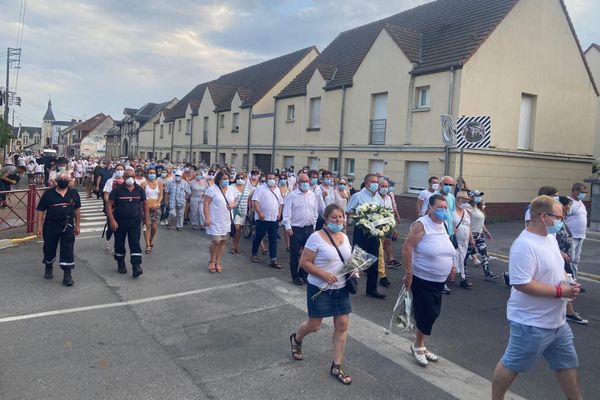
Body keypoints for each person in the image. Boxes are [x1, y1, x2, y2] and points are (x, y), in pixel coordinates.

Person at [492, 196, 582, 400]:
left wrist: (569, 283)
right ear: (543, 216)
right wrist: (560, 292)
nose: (562, 221)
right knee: (512, 364)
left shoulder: (549, 238)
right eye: (559, 217)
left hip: (557, 322)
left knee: (567, 363)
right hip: (531, 323)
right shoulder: (524, 245)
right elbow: (521, 283)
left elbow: (555, 271)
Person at [289, 204, 353, 385]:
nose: (338, 221)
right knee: (314, 325)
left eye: (341, 217)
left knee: (342, 325)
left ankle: (337, 365)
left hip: (341, 289)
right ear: (326, 219)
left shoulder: (345, 237)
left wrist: (354, 269)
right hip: (320, 288)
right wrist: (323, 274)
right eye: (334, 218)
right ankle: (297, 338)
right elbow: (304, 262)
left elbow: (348, 261)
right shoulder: (315, 238)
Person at [402, 194, 457, 366]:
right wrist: (409, 272)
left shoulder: (444, 224)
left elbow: (449, 247)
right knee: (427, 312)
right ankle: (417, 346)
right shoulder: (421, 224)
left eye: (445, 207)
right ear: (430, 207)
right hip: (422, 277)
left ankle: (421, 344)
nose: (443, 210)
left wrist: (453, 266)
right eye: (439, 207)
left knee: (433, 313)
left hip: (439, 280)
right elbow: (407, 247)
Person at [36, 171, 81, 286]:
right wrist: (39, 227)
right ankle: (48, 266)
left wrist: (78, 225)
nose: (63, 181)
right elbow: (41, 210)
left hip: (68, 226)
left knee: (67, 249)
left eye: (66, 180)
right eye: (61, 179)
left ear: (69, 182)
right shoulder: (48, 194)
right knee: (49, 247)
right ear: (56, 181)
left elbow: (77, 210)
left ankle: (67, 275)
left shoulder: (74, 193)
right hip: (51, 226)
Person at [346, 173, 386, 299]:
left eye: (377, 182)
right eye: (373, 182)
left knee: (374, 261)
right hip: (361, 231)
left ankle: (372, 289)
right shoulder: (358, 196)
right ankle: (349, 284)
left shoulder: (379, 197)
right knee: (357, 259)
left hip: (374, 232)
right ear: (367, 183)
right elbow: (348, 211)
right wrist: (360, 216)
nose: (376, 184)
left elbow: (383, 212)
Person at [106, 169, 146, 278]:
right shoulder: (117, 190)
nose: (130, 178)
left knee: (135, 243)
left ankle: (136, 266)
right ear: (124, 177)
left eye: (133, 176)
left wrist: (146, 219)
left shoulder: (139, 190)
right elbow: (109, 206)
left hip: (134, 221)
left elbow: (144, 204)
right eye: (128, 176)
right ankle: (120, 262)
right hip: (119, 222)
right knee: (119, 243)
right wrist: (112, 221)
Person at [556, 196, 588, 325]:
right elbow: (549, 238)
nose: (570, 208)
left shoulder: (561, 219)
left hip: (565, 258)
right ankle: (570, 312)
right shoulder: (555, 221)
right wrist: (559, 253)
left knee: (568, 282)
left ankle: (567, 311)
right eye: (568, 205)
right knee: (567, 283)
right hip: (559, 258)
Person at [283, 173, 319, 285]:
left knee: (307, 254)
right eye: (302, 181)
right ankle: (295, 276)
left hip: (308, 228)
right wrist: (288, 227)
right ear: (298, 183)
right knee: (294, 254)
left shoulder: (312, 195)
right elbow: (286, 212)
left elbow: (315, 212)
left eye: (307, 181)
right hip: (296, 229)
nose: (305, 183)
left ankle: (304, 274)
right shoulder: (292, 195)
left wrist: (314, 226)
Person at [203, 171, 239, 273]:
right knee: (216, 241)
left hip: (226, 220)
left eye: (227, 179)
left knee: (223, 242)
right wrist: (207, 218)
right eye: (224, 179)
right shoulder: (212, 190)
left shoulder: (232, 189)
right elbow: (206, 204)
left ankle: (218, 262)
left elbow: (236, 200)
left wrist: (233, 205)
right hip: (215, 219)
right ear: (218, 179)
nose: (226, 180)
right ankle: (212, 261)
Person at [251, 173, 283, 268]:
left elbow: (280, 203)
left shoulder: (277, 189)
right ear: (266, 179)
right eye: (270, 178)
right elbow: (255, 201)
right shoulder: (260, 189)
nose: (272, 180)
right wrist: (259, 213)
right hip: (262, 218)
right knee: (259, 236)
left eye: (273, 178)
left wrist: (279, 212)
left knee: (273, 238)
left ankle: (273, 258)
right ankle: (254, 253)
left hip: (273, 218)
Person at [466, 190, 499, 279]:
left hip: (479, 235)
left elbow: (481, 223)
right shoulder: (468, 209)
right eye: (477, 196)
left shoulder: (479, 208)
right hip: (471, 235)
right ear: (472, 197)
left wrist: (486, 232)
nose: (479, 198)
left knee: (484, 254)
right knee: (466, 254)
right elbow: (467, 224)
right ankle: (463, 271)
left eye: (480, 196)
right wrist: (471, 238)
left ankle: (487, 273)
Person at [565, 183, 588, 282]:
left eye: (585, 192)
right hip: (572, 236)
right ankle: (568, 281)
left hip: (581, 236)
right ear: (575, 191)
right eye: (582, 192)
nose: (584, 194)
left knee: (576, 260)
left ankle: (574, 280)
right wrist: (567, 232)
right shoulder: (568, 202)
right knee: (570, 259)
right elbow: (562, 217)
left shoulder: (581, 202)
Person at [454, 191, 475, 288]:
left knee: (461, 259)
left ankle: (462, 278)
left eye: (467, 201)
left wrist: (471, 238)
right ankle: (448, 277)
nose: (466, 203)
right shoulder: (452, 212)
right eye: (463, 201)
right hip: (455, 240)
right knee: (453, 258)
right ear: (458, 200)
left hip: (465, 240)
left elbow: (469, 226)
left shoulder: (466, 212)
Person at [378, 179, 395, 287]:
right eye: (383, 186)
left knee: (381, 251)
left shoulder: (388, 198)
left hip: (386, 227)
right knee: (378, 251)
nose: (385, 188)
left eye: (386, 186)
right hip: (376, 228)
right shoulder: (375, 198)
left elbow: (390, 212)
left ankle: (382, 275)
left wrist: (392, 227)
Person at [231, 172, 251, 253]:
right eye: (238, 178)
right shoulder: (232, 187)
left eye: (242, 178)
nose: (240, 180)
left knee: (239, 231)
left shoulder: (247, 189)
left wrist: (250, 210)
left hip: (244, 211)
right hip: (235, 211)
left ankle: (236, 245)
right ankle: (233, 246)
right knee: (237, 228)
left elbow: (249, 199)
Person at [143, 168, 163, 254]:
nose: (152, 174)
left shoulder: (159, 183)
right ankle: (147, 244)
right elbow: (142, 197)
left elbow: (161, 195)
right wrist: (145, 206)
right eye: (150, 173)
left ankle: (151, 239)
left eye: (153, 173)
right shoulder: (144, 184)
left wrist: (158, 204)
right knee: (146, 226)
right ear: (147, 174)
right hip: (146, 208)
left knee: (154, 228)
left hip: (156, 208)